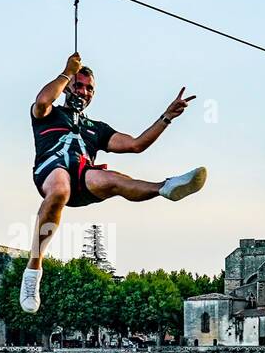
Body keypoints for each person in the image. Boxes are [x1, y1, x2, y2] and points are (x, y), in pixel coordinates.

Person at [20, 51, 207, 313]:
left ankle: (164, 187)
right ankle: (33, 270)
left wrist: (167, 117)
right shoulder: (48, 114)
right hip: (51, 171)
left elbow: (136, 144)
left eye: (89, 89)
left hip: (83, 179)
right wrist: (66, 72)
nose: (83, 92)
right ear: (66, 88)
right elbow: (42, 100)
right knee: (61, 187)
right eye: (78, 86)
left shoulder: (96, 128)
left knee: (111, 178)